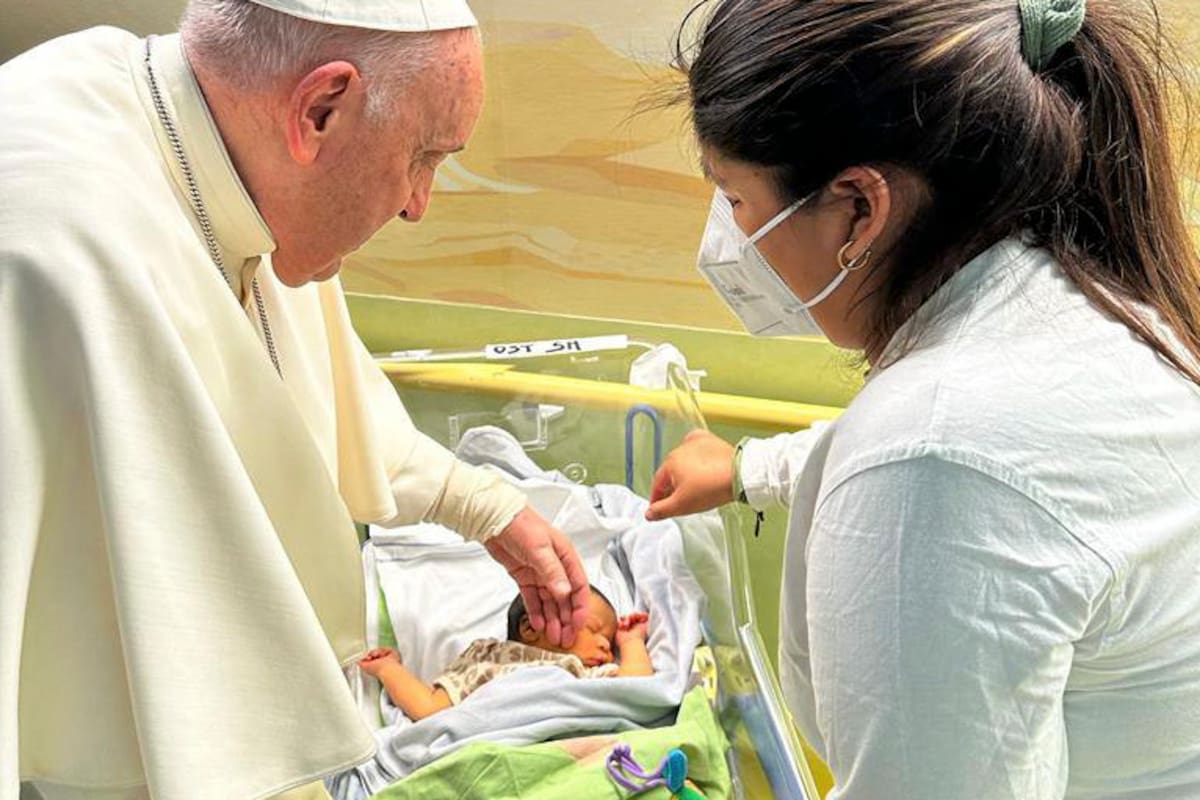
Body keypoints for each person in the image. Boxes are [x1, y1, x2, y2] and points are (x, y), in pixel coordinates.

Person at [0, 1, 590, 798]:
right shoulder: (50, 245)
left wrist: (484, 506)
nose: (420, 204)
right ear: (319, 110)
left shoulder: (215, 147)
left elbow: (297, 390)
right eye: (425, 157)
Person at [646, 0, 1200, 797]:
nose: (728, 238)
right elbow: (1011, 490)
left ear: (860, 210)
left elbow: (945, 479)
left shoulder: (935, 457)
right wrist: (745, 469)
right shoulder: (1083, 311)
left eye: (735, 200)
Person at [358, 587, 654, 721]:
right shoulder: (489, 660)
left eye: (609, 640)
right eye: (593, 629)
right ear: (530, 627)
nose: (606, 646)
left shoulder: (581, 672)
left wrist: (630, 644)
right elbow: (430, 709)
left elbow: (635, 689)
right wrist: (389, 670)